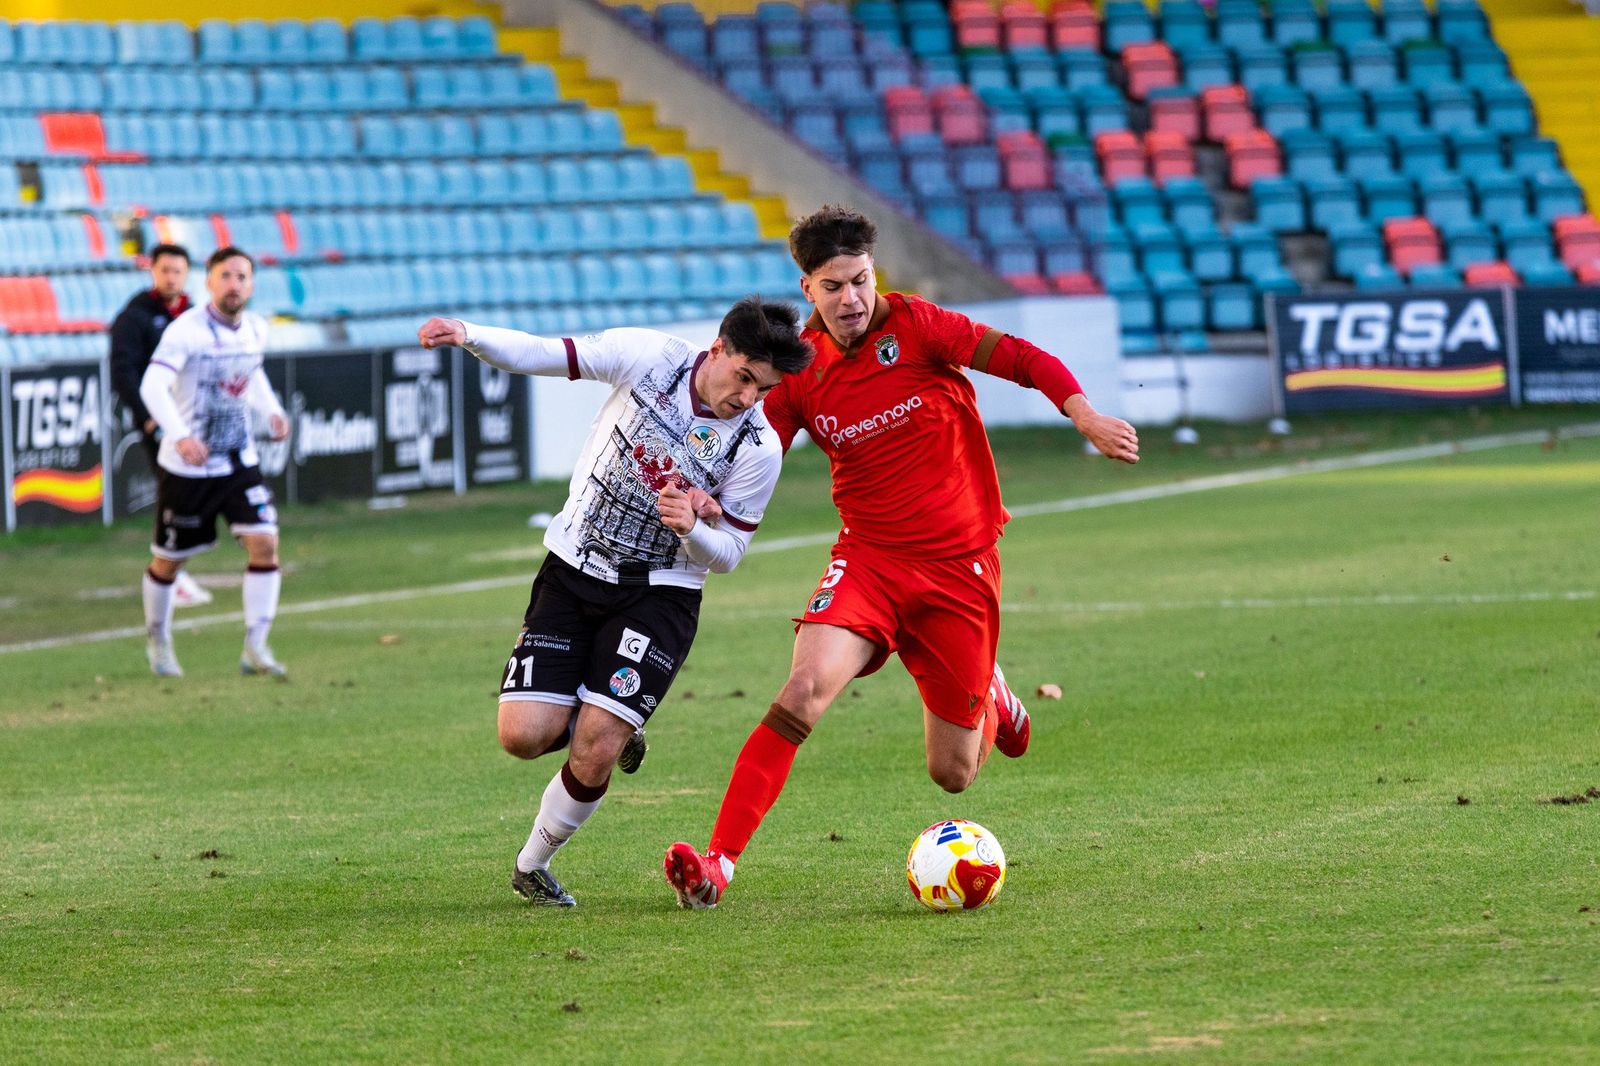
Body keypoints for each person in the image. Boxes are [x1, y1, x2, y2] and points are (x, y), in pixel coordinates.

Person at [663, 205, 1140, 909]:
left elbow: (1021, 357)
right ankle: (718, 865)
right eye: (833, 286)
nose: (851, 298)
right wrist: (706, 494)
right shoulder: (799, 370)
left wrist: (1084, 414)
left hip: (959, 568)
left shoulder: (919, 326)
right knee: (802, 692)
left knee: (953, 774)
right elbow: (751, 443)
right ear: (808, 291)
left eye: (859, 279)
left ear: (872, 270)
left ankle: (993, 697)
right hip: (870, 562)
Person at [416, 295, 814, 907]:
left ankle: (533, 862)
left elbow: (730, 552)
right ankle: (605, 720)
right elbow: (548, 354)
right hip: (574, 566)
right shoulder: (651, 358)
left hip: (661, 595)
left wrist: (692, 529)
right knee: (522, 736)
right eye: (744, 378)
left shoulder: (758, 446)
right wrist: (468, 334)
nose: (748, 399)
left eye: (763, 390)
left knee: (595, 744)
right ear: (718, 349)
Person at [138, 247, 290, 679]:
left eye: (242, 277)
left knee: (265, 541)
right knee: (169, 560)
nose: (234, 284)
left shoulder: (256, 330)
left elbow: (251, 373)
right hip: (187, 468)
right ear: (208, 281)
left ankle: (256, 646)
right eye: (225, 276)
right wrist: (180, 435)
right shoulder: (186, 331)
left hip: (238, 461)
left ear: (252, 284)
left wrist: (271, 411)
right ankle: (159, 639)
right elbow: (153, 386)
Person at [110, 243, 211, 608]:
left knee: (195, 493)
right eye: (165, 270)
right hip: (161, 422)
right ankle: (172, 573)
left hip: (195, 417)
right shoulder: (135, 317)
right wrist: (147, 415)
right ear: (153, 271)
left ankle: (175, 569)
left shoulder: (195, 315)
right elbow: (124, 370)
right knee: (172, 492)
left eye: (178, 271)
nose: (171, 277)